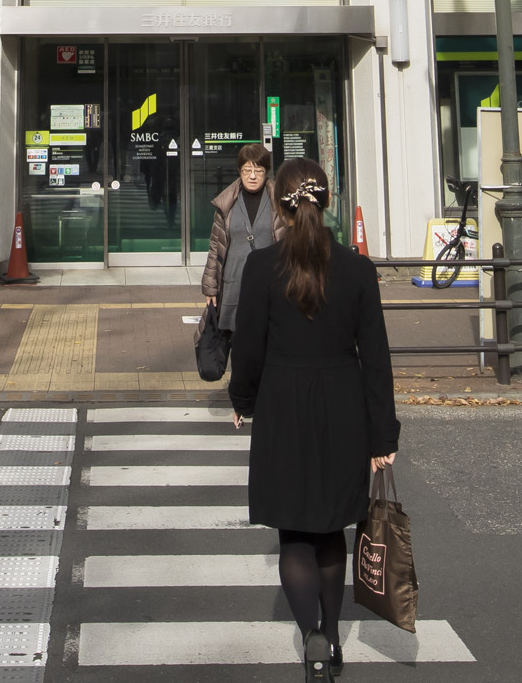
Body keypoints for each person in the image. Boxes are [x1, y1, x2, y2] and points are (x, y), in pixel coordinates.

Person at [227, 158, 396, 683]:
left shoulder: (262, 267)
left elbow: (248, 349)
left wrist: (244, 400)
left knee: (293, 534)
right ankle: (332, 630)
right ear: (327, 203)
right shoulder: (358, 269)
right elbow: (377, 357)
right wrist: (382, 433)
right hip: (343, 404)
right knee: (330, 532)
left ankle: (312, 639)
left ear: (280, 205)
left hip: (282, 402)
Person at [199, 145, 276, 371]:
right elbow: (216, 247)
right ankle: (242, 400)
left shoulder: (278, 202)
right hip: (234, 284)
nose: (252, 176)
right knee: (238, 345)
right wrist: (210, 288)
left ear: (267, 172)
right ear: (239, 171)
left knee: (267, 342)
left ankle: (263, 397)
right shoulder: (227, 204)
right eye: (246, 170)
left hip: (269, 286)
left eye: (259, 170)